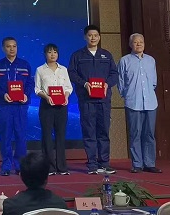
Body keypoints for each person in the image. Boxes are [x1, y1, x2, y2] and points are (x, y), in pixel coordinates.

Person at [68, 24, 119, 175]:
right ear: (85, 37)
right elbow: (72, 73)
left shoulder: (106, 55)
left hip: (103, 100)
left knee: (104, 132)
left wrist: (107, 84)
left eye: (95, 35)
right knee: (89, 131)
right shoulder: (78, 55)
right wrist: (84, 84)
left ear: (99, 37)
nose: (93, 38)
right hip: (86, 100)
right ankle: (92, 164)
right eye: (90, 35)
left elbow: (114, 74)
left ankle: (104, 163)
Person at [0, 37, 34, 176]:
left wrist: (26, 94)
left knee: (21, 136)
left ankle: (20, 165)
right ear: (3, 48)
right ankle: (6, 165)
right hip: (4, 106)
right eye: (8, 46)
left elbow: (30, 83)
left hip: (20, 106)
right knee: (5, 136)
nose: (12, 49)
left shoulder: (25, 65)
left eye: (14, 46)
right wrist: (3, 95)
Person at [118, 33, 162, 174]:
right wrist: (127, 95)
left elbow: (154, 82)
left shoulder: (151, 60)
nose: (138, 44)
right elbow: (120, 82)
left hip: (150, 102)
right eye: (135, 42)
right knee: (135, 133)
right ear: (130, 44)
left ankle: (149, 163)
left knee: (149, 134)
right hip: (133, 102)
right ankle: (137, 164)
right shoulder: (124, 60)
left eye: (141, 42)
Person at [34, 43, 73, 175]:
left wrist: (66, 96)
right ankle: (49, 167)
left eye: (55, 52)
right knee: (46, 136)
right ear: (45, 54)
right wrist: (46, 97)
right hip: (47, 106)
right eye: (50, 52)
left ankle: (62, 167)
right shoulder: (40, 70)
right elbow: (37, 89)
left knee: (61, 136)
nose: (52, 54)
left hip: (62, 106)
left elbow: (68, 87)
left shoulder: (63, 69)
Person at [2, 152, 68, 215]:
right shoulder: (60, 204)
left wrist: (16, 199)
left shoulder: (11, 206)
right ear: (46, 177)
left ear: (21, 176)